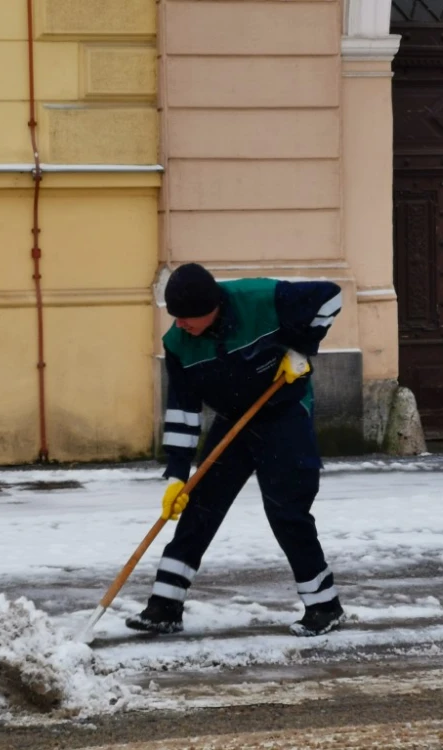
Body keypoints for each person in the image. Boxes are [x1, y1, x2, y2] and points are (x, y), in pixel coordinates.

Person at [125, 263, 345, 637]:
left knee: (286, 511)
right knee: (199, 505)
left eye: (187, 317)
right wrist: (178, 476)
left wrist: (301, 350)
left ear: (211, 306)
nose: (179, 325)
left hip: (283, 414)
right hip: (233, 420)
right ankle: (165, 606)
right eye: (174, 317)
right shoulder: (178, 344)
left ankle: (324, 607)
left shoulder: (260, 298)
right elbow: (182, 410)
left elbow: (330, 296)